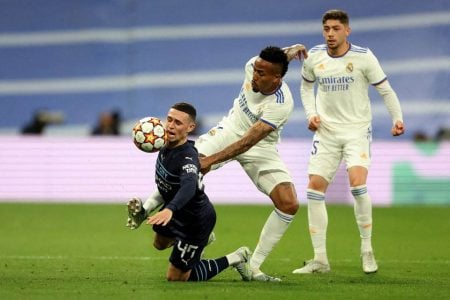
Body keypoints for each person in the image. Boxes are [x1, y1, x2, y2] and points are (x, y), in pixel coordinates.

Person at [292, 9, 405, 275]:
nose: (330, 34)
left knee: (357, 185)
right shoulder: (314, 57)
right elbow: (306, 87)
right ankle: (320, 259)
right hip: (327, 133)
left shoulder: (364, 57)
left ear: (347, 31)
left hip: (356, 131)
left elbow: (385, 90)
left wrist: (397, 118)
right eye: (326, 29)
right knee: (313, 189)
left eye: (336, 29)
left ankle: (367, 249)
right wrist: (311, 114)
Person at [195, 45, 308, 282]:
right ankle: (197, 236)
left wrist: (212, 160)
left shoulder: (282, 103)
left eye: (262, 74)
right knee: (189, 168)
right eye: (255, 70)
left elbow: (248, 142)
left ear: (277, 78)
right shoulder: (252, 65)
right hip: (230, 129)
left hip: (260, 146)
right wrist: (290, 50)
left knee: (288, 203)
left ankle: (253, 267)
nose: (254, 76)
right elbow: (275, 60)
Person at [126, 102, 251, 281]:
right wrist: (145, 210)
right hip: (175, 209)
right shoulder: (163, 146)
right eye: (169, 120)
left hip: (195, 220)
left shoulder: (187, 158)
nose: (170, 126)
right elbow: (164, 187)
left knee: (176, 278)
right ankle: (197, 246)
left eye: (178, 123)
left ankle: (237, 258)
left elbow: (189, 186)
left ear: (190, 127)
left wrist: (170, 209)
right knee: (159, 243)